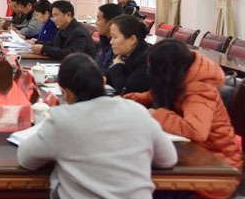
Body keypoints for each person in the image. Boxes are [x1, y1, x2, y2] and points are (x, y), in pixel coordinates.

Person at [17, 53, 177, 199]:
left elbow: (26, 159)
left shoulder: (63, 119)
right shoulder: (138, 111)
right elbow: (168, 159)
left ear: (65, 93)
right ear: (104, 82)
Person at [126, 39, 242, 199]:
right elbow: (149, 96)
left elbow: (196, 130)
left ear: (166, 70)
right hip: (188, 153)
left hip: (217, 165)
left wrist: (157, 114)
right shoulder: (176, 78)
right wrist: (124, 102)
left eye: (152, 69)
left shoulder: (199, 88)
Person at [105, 14, 150, 95]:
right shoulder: (124, 55)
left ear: (132, 39)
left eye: (115, 37)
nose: (111, 42)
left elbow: (126, 91)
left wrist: (118, 66)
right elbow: (106, 78)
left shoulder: (146, 60)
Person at [93, 3, 124, 73]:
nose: (96, 23)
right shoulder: (101, 43)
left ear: (110, 23)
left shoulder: (119, 49)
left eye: (98, 19)